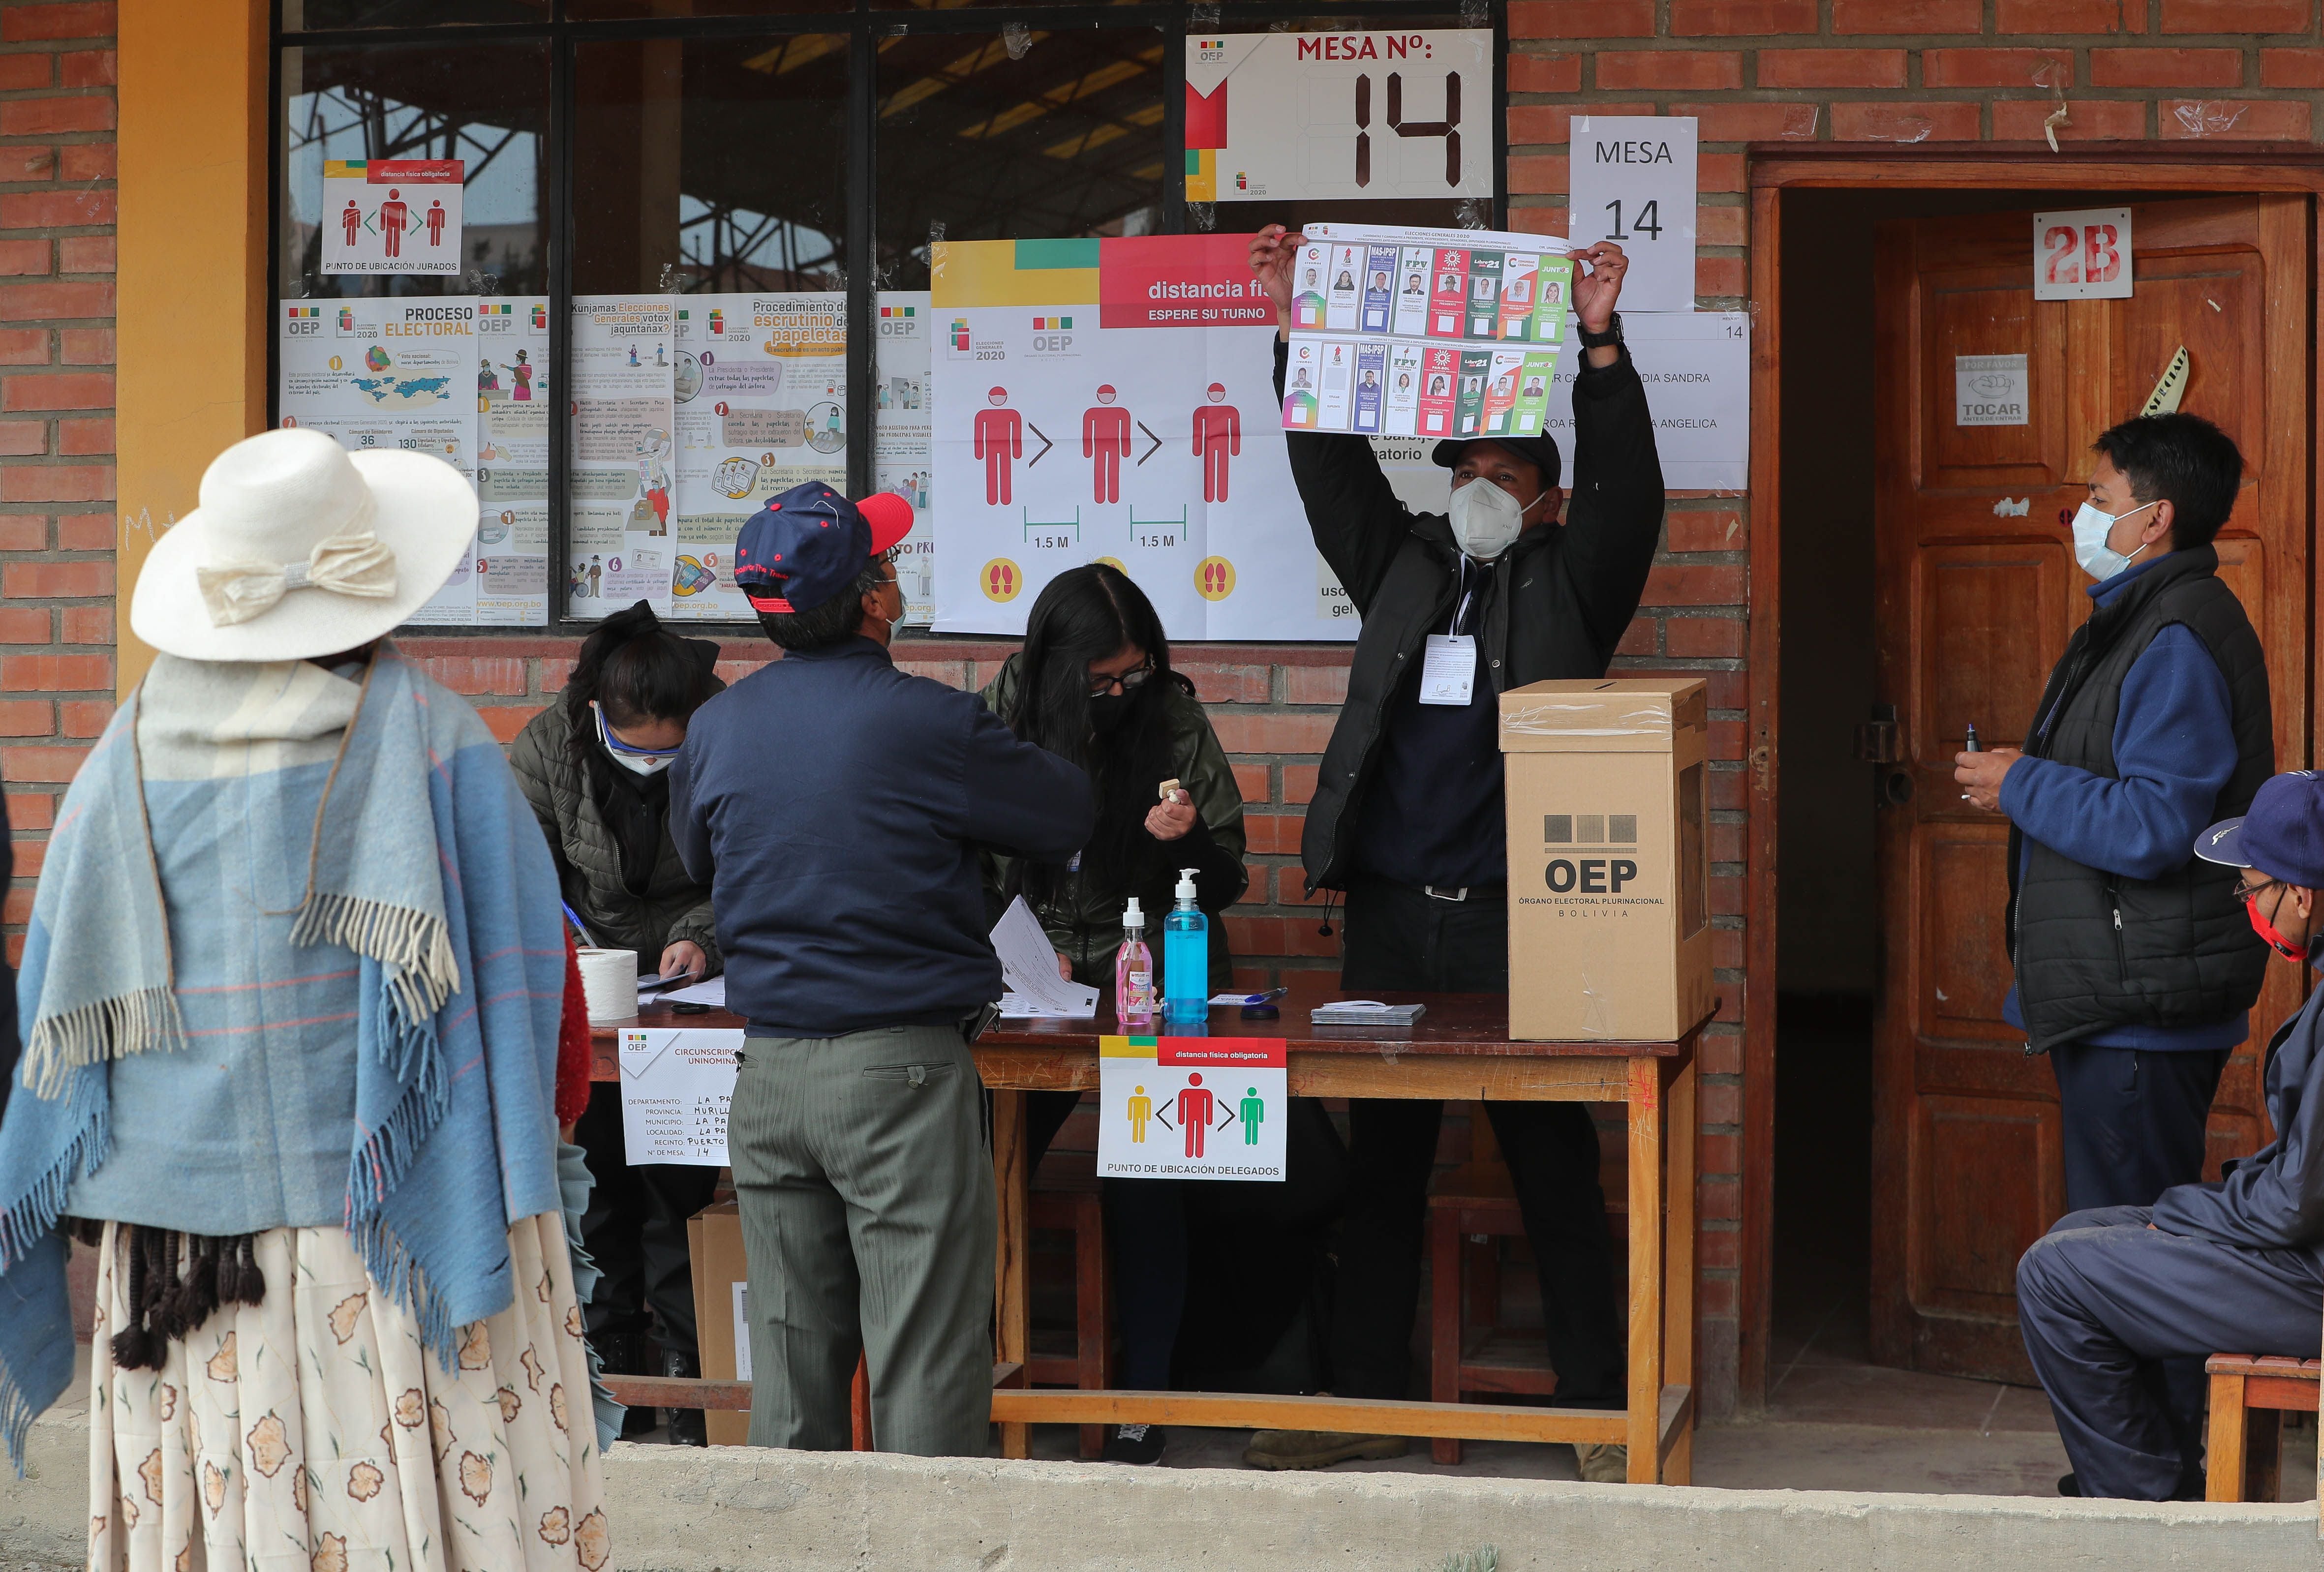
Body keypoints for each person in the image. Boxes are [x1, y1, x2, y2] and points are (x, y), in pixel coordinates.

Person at [0, 428, 601, 1564]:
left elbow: (56, 1026)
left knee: (226, 1521)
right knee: (421, 1498)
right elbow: (545, 1015)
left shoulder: (118, 759)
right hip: (398, 1234)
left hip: (177, 1265)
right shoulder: (438, 745)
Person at [1244, 223, 1664, 1482]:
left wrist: (1600, 343)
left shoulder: (1578, 579)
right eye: (1461, 466)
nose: (1473, 482)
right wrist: (1292, 325)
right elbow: (1328, 471)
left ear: (1543, 487)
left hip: (1516, 919)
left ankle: (1598, 1407)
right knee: (1386, 1163)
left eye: (1498, 466)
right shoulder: (1403, 567)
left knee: (1552, 1159)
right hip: (1387, 915)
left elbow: (1631, 489)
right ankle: (1363, 1396)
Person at [671, 481, 1092, 1455]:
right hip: (898, 1070)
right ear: (874, 598)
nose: (899, 577)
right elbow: (1063, 812)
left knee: (786, 1360)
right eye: (889, 563)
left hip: (769, 1071)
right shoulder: (923, 721)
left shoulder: (717, 727)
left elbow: (706, 861)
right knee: (925, 1359)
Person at [1954, 414, 2272, 1213]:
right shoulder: (2139, 618)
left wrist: (2019, 784)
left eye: (2099, 496)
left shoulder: (2173, 636)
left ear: (2156, 517)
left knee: (2129, 1262)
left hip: (2143, 1015)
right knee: (2120, 1255)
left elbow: (2154, 824)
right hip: (2127, 999)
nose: (2082, 515)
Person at [981, 564, 1249, 1466]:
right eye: (1102, 682)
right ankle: (971, 1373)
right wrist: (1012, 942)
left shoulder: (1169, 715)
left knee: (1146, 1173)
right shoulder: (1002, 714)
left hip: (1154, 976)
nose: (1121, 695)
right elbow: (958, 857)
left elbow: (1228, 880)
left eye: (1134, 675)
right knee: (975, 1160)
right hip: (1033, 982)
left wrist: (1191, 843)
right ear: (1056, 668)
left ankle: (1147, 1395)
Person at [2018, 770, 2324, 1500]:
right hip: (2307, 1253)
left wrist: (2184, 1212)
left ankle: (2146, 1517)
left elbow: (2291, 1206)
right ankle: (2159, 1489)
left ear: (2304, 896)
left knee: (2054, 1277)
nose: (2249, 905)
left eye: (2253, 890)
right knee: (2082, 1233)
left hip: (2312, 1277)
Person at [511, 599, 723, 1445]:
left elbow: (749, 858)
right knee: (597, 1189)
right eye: (638, 748)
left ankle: (685, 1379)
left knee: (679, 1186)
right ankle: (607, 1381)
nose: (652, 762)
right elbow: (521, 871)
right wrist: (565, 945)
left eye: (669, 750)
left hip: (693, 1000)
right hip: (588, 998)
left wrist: (700, 938)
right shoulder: (545, 749)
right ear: (599, 712)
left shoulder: (722, 737)